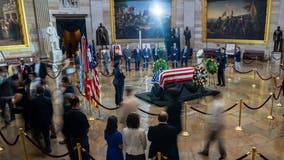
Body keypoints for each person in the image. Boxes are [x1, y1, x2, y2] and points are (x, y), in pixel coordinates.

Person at [199, 95, 227, 159]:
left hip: (215, 126)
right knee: (210, 139)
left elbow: (216, 117)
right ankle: (206, 151)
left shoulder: (217, 105)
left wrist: (212, 126)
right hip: (215, 126)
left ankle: (223, 154)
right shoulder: (217, 103)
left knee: (217, 139)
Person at [29, 86, 53, 153]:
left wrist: (30, 122)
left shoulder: (33, 100)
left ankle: (41, 147)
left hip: (37, 122)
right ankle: (48, 148)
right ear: (43, 91)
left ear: (36, 92)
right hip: (46, 120)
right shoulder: (48, 99)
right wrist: (50, 120)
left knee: (36, 136)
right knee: (46, 135)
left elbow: (31, 113)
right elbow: (51, 111)